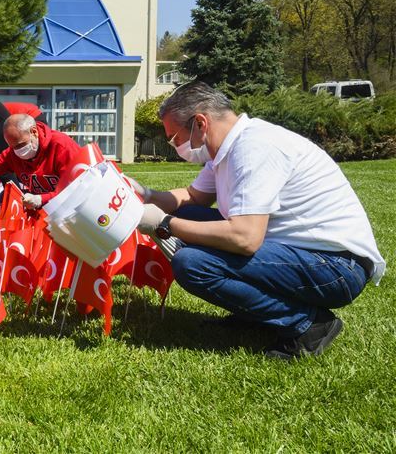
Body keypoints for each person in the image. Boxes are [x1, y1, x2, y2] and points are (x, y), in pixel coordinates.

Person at [130, 81, 385, 360]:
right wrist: (146, 195)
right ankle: (256, 314)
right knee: (188, 216)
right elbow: (193, 198)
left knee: (192, 264)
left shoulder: (254, 148)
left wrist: (164, 223)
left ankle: (309, 324)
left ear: (200, 123)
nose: (176, 146)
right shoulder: (229, 148)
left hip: (337, 267)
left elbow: (245, 238)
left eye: (175, 138)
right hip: (308, 255)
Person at [0, 113, 82, 215]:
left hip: (73, 209)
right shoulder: (13, 154)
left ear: (34, 132)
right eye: (13, 147)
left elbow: (77, 189)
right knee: (5, 197)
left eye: (21, 145)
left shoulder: (62, 147)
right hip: (42, 205)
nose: (18, 151)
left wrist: (41, 199)